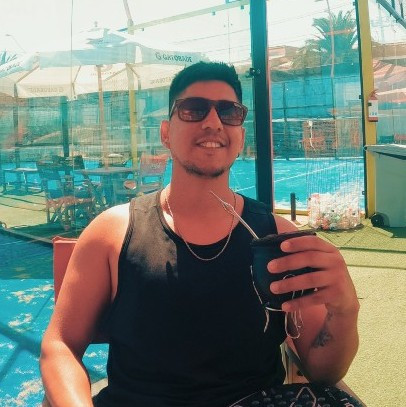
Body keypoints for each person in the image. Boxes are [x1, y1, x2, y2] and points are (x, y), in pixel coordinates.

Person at [40, 61, 360, 407]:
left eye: (229, 112)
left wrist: (345, 310)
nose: (213, 122)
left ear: (240, 137)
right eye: (193, 109)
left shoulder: (280, 240)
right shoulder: (112, 233)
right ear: (166, 133)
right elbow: (60, 345)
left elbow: (322, 371)